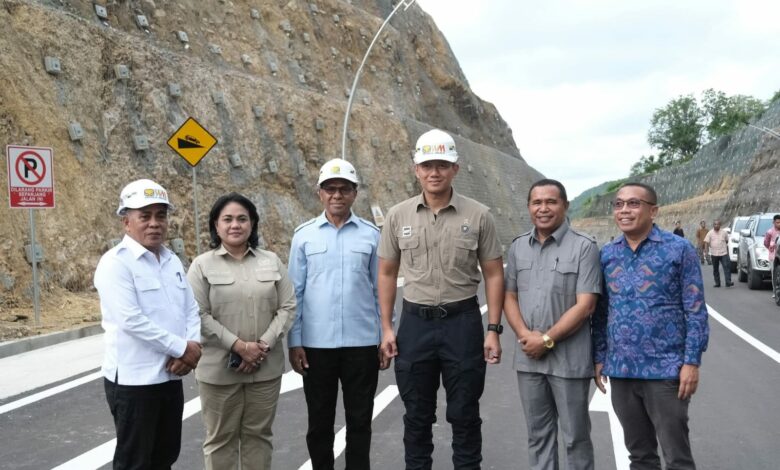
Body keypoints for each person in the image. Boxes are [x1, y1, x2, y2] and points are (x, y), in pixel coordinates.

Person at [378, 129, 505, 470]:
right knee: (417, 415)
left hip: (462, 324)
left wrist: (492, 328)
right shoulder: (397, 216)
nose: (435, 172)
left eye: (442, 165)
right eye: (427, 165)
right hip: (415, 326)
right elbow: (388, 273)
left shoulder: (479, 215)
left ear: (456, 169)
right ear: (415, 169)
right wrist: (387, 328)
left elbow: (494, 274)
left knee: (464, 413)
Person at [593, 182, 709, 470]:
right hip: (621, 369)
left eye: (633, 204)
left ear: (653, 210)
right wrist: (599, 356)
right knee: (640, 456)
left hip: (666, 369)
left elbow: (695, 310)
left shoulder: (679, 250)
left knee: (677, 457)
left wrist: (691, 362)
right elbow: (601, 311)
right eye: (618, 204)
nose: (624, 210)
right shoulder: (607, 254)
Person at [94, 179, 202, 469]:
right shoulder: (115, 264)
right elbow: (131, 320)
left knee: (165, 456)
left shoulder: (171, 261)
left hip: (168, 378)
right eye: (145, 216)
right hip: (134, 382)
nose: (155, 223)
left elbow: (190, 307)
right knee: (134, 462)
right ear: (126, 221)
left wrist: (193, 347)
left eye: (161, 215)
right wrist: (183, 348)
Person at [187, 193, 296, 470]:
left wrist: (261, 346)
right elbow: (197, 314)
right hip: (218, 372)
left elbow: (288, 306)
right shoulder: (201, 265)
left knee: (258, 436)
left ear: (252, 224)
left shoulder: (271, 261)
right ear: (216, 225)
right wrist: (239, 347)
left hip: (264, 369)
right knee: (220, 439)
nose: (235, 225)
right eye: (227, 219)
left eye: (242, 219)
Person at [287, 159, 382, 470]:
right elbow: (294, 294)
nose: (337, 195)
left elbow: (381, 290)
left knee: (360, 423)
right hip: (317, 346)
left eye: (344, 189)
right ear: (320, 194)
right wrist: (295, 341)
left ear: (355, 193)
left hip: (362, 344)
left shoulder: (371, 235)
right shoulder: (303, 236)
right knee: (319, 424)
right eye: (330, 189)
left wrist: (384, 336)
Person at [503, 179, 601, 470]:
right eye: (537, 202)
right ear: (529, 207)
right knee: (538, 436)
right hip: (528, 360)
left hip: (569, 361)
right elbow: (509, 296)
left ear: (565, 205)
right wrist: (524, 336)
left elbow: (586, 305)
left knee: (576, 438)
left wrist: (546, 340)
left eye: (551, 202)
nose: (543, 208)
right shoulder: (519, 247)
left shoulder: (584, 247)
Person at [703, 219, 733, 287]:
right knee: (715, 269)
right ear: (713, 225)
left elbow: (727, 241)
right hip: (714, 254)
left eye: (718, 224)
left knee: (727, 267)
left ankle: (728, 282)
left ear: (720, 225)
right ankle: (717, 283)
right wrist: (706, 252)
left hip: (723, 253)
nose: (716, 225)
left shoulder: (724, 232)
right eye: (715, 224)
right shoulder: (710, 233)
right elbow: (706, 242)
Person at [763, 214, 780, 298]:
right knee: (775, 274)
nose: (779, 224)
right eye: (777, 222)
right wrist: (771, 248)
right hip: (773, 257)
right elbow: (766, 243)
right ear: (773, 222)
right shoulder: (770, 232)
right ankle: (775, 292)